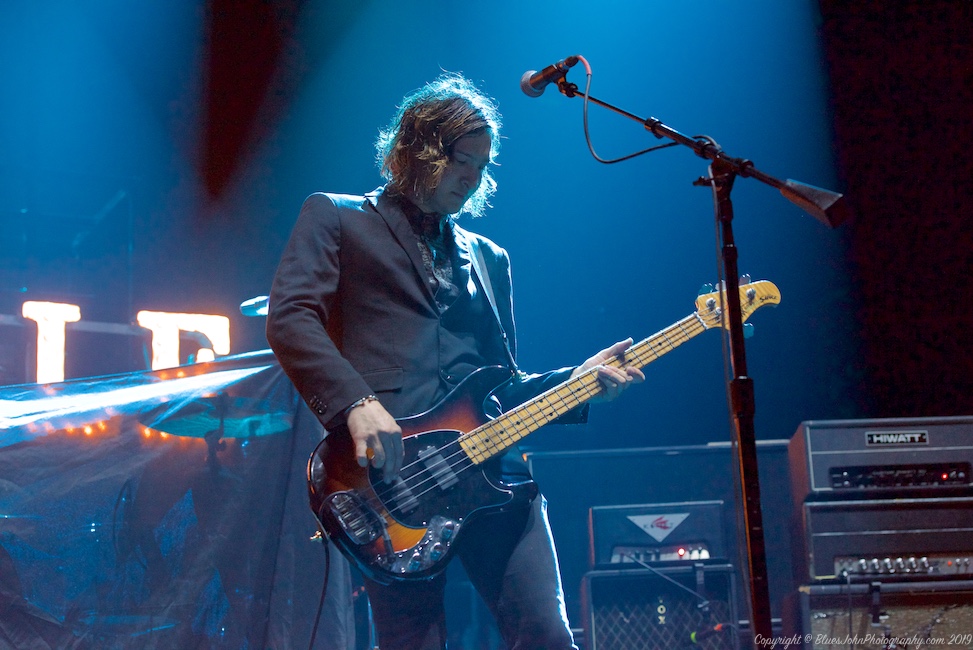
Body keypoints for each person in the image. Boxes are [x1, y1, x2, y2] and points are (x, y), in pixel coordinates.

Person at [266, 72, 643, 650]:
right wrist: (356, 405)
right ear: (416, 150)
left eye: (484, 165)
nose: (474, 177)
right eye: (462, 160)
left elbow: (504, 385)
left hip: (496, 478)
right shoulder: (337, 218)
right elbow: (291, 318)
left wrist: (578, 382)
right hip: (394, 483)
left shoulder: (490, 258)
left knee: (547, 635)